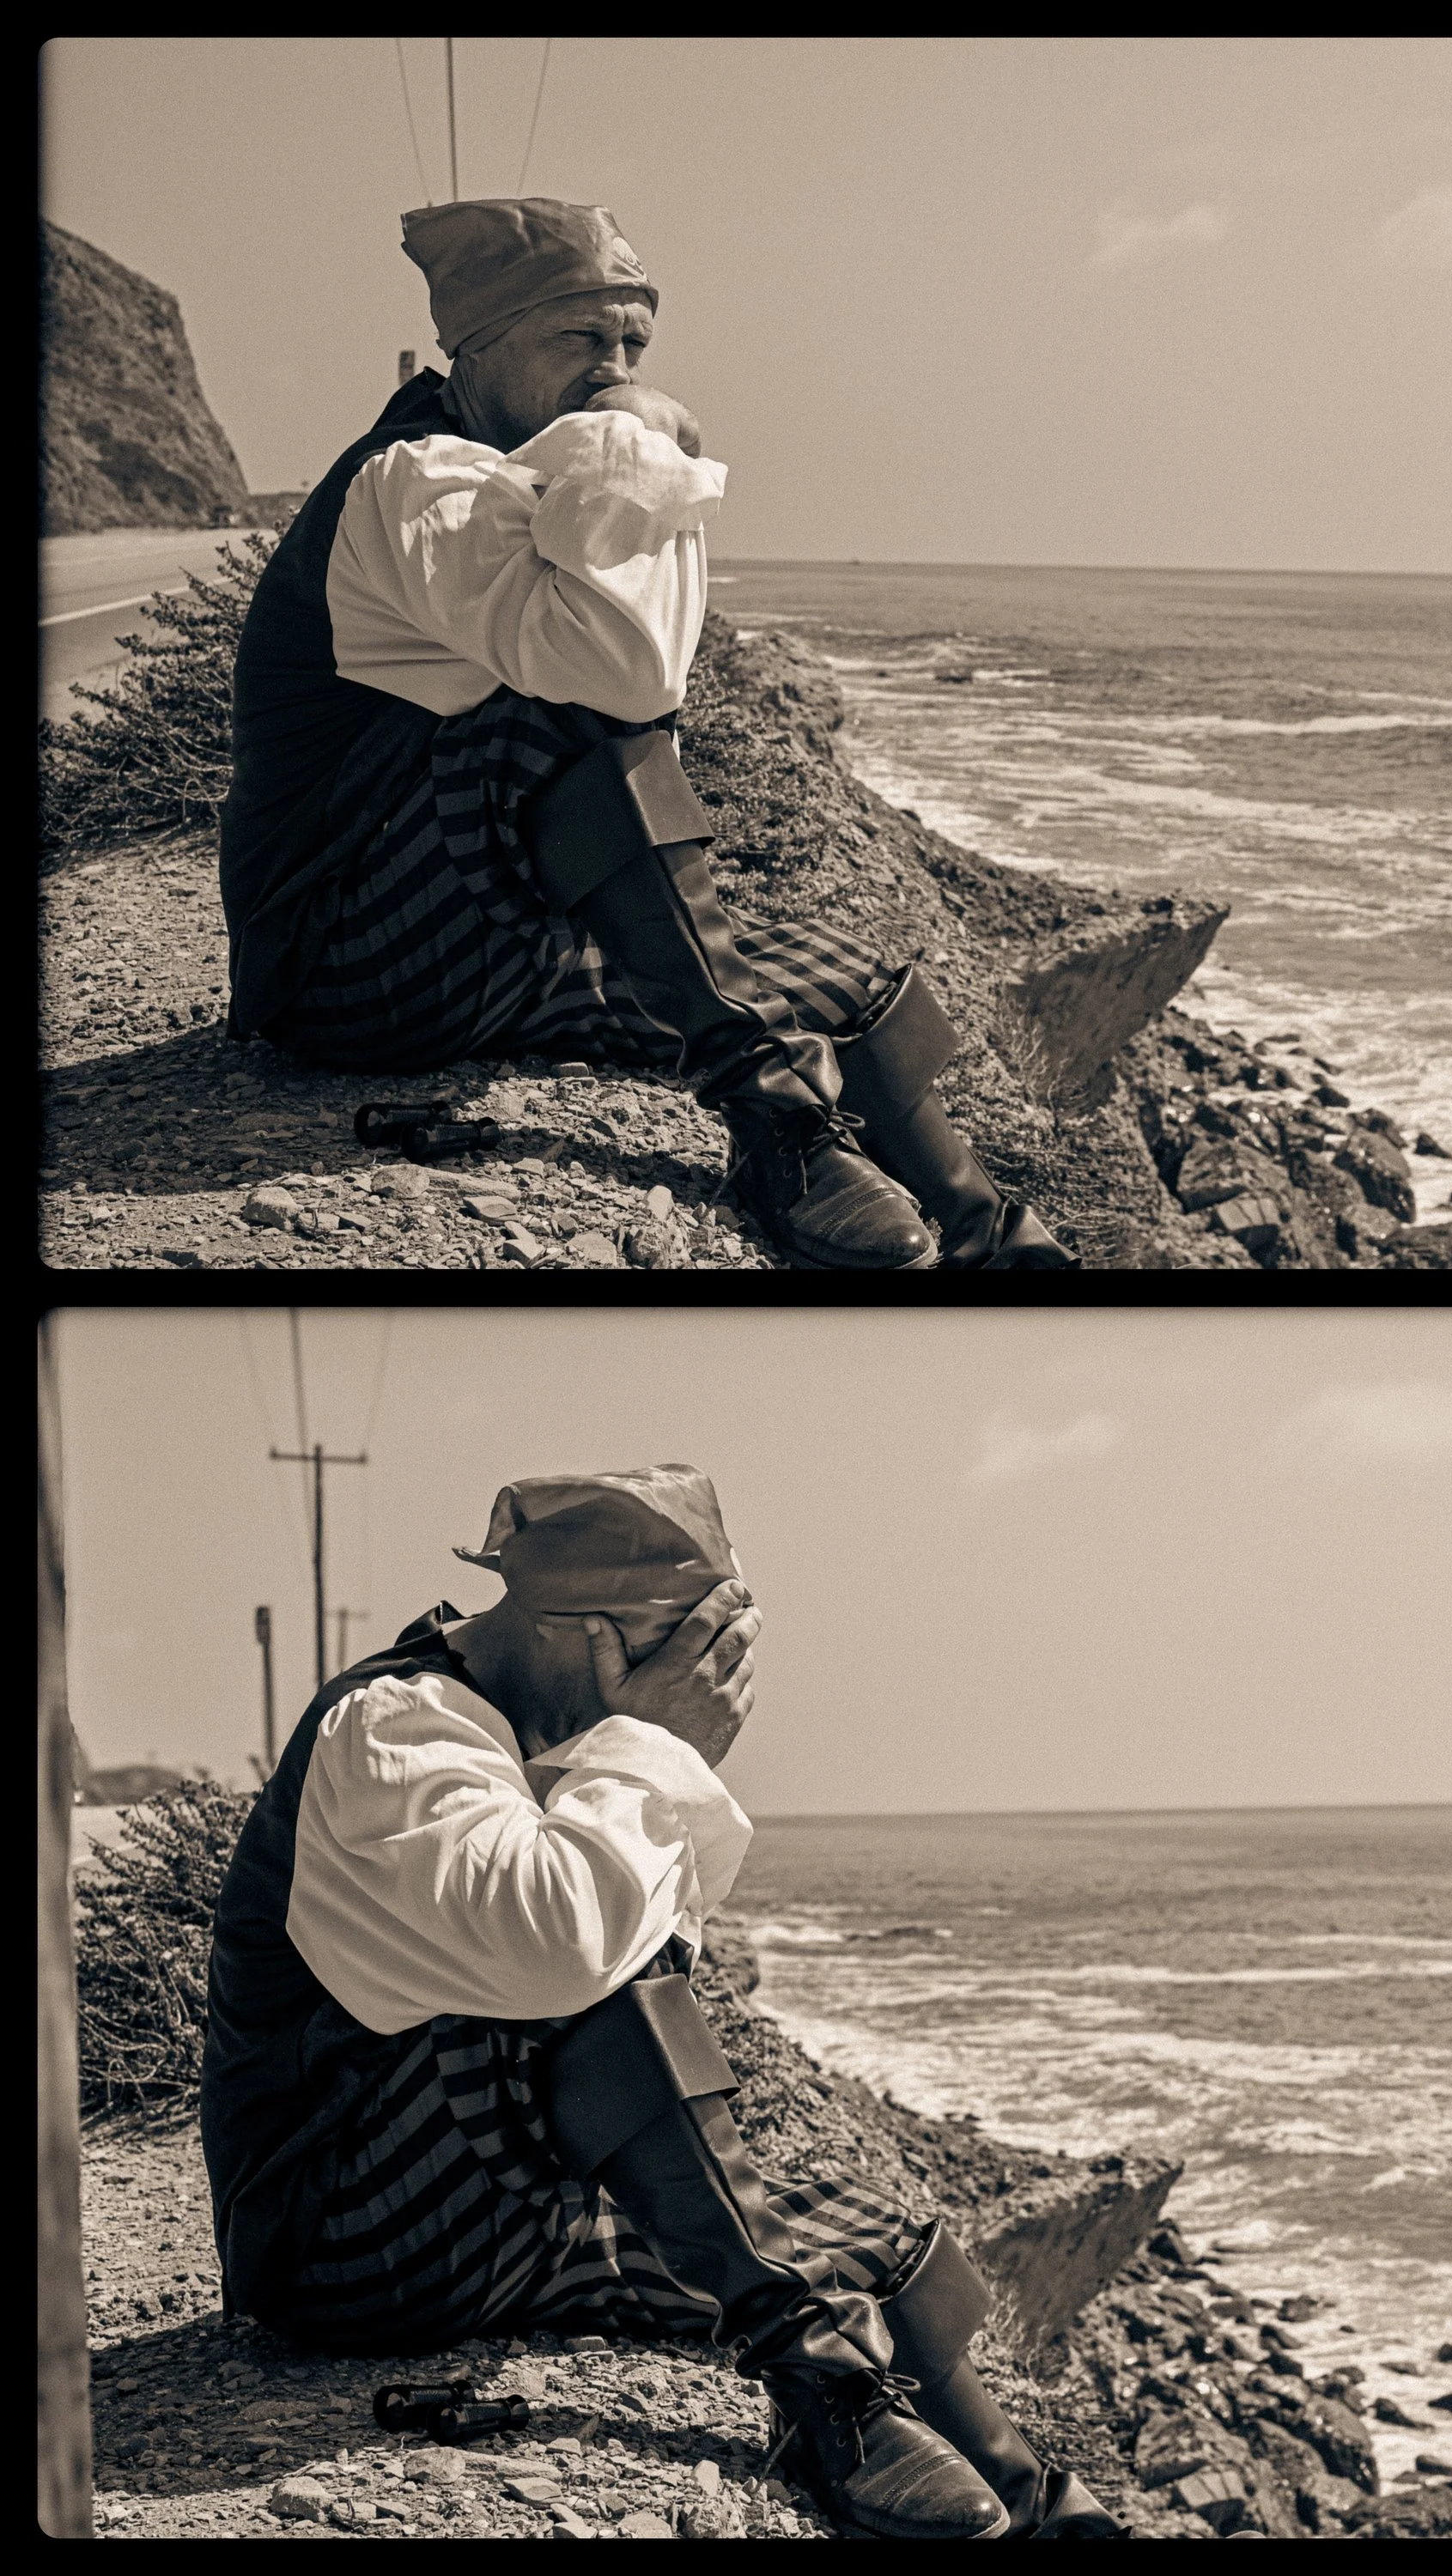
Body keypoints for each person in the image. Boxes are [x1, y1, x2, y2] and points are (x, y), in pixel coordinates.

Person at [199, 1466, 1113, 2540]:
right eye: (693, 1653)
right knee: (594, 1968)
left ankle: (1031, 2503)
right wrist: (654, 1745)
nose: (714, 1688)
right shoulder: (398, 1728)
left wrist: (635, 1756)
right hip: (339, 2234)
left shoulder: (554, 1745)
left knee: (873, 2239)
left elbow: (664, 1949)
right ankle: (822, 2388)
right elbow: (572, 1955)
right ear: (586, 1633)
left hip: (486, 2211)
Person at [217, 197, 1071, 1271]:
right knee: (557, 704)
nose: (614, 371)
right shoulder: (412, 481)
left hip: (489, 943)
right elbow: (624, 676)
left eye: (633, 345)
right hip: (344, 962)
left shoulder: (535, 466)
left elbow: (640, 651)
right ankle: (780, 1129)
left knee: (845, 972)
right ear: (470, 349)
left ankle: (988, 1239)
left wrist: (619, 440)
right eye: (579, 339)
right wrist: (641, 432)